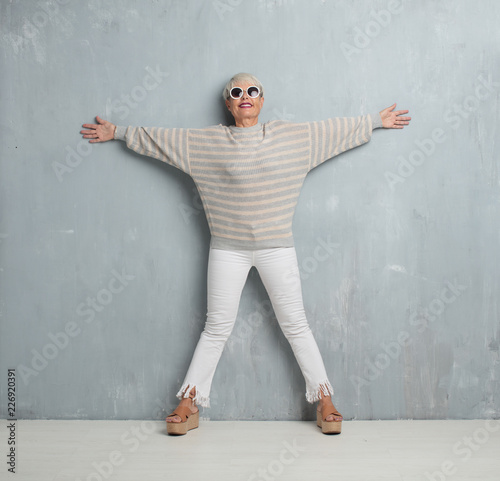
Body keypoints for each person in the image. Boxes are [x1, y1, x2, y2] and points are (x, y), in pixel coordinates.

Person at [81, 72, 411, 435]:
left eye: (252, 90)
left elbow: (331, 132)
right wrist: (120, 132)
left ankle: (325, 400)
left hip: (277, 249)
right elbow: (161, 139)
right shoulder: (207, 143)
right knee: (216, 328)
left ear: (262, 99)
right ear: (228, 103)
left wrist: (374, 121)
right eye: (235, 92)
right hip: (228, 250)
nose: (244, 96)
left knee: (296, 325)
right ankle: (188, 404)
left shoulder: (290, 137)